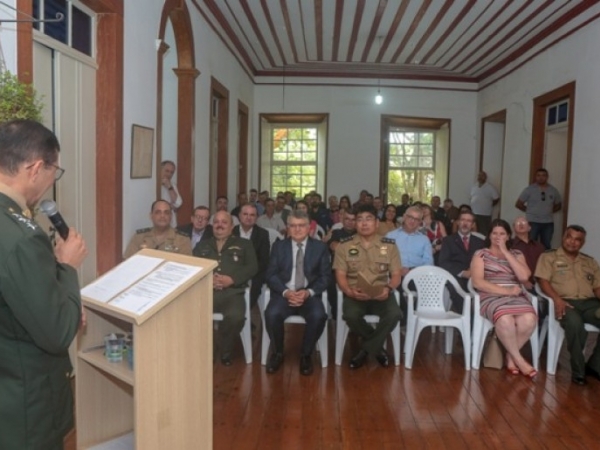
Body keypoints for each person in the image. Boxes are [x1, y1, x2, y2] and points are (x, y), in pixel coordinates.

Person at [0, 119, 88, 450]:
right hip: (22, 402)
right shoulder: (22, 236)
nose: (53, 180)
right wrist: (66, 266)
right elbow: (55, 332)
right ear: (36, 168)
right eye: (55, 171)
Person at [334, 204, 402, 369]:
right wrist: (348, 291)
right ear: (355, 224)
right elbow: (340, 275)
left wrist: (389, 289)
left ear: (377, 223)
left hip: (381, 293)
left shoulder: (390, 245)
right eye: (360, 220)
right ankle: (377, 348)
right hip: (355, 293)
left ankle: (365, 350)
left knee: (395, 314)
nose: (364, 223)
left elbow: (396, 275)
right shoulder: (344, 245)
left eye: (369, 219)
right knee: (350, 315)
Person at [264, 210, 331, 375]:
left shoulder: (320, 248)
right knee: (271, 314)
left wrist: (308, 292)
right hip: (284, 294)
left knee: (318, 315)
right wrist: (286, 292)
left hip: (308, 295)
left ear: (309, 227)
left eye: (301, 226)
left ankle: (306, 354)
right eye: (293, 226)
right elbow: (270, 275)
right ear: (287, 228)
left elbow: (326, 277)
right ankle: (278, 352)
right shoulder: (279, 246)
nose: (297, 229)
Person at [470, 219, 537, 377]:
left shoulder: (517, 254)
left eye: (502, 233)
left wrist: (506, 252)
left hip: (516, 294)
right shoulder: (481, 254)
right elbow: (478, 282)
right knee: (505, 319)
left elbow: (524, 277)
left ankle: (511, 355)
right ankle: (519, 360)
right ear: (489, 235)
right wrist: (505, 291)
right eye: (494, 233)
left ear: (508, 236)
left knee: (529, 319)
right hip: (491, 294)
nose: (498, 236)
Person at [536, 225, 600, 385]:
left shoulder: (590, 261)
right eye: (569, 237)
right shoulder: (548, 257)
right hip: (565, 302)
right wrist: (557, 299)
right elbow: (542, 281)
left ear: (582, 243)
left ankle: (595, 365)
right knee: (575, 324)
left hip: (589, 303)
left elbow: (597, 287)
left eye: (578, 240)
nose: (572, 242)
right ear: (563, 238)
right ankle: (579, 371)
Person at [193, 211, 258, 365]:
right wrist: (207, 280)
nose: (219, 225)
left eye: (224, 222)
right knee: (191, 314)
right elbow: (192, 267)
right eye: (216, 222)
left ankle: (225, 350)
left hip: (232, 293)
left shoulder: (244, 244)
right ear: (212, 225)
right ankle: (201, 350)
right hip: (206, 293)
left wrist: (232, 280)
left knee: (236, 317)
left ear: (231, 226)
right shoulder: (202, 245)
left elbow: (252, 267)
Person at [438, 210, 485, 311]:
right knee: (456, 288)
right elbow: (443, 262)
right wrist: (463, 273)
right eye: (462, 220)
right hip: (456, 276)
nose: (465, 223)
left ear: (472, 225)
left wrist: (473, 271)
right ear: (458, 222)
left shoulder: (480, 242)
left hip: (475, 276)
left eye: (469, 221)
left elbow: (485, 260)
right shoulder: (448, 241)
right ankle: (467, 317)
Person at [124, 200, 192, 258]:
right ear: (151, 216)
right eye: (158, 212)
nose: (162, 216)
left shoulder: (182, 239)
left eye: (166, 212)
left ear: (170, 216)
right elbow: (128, 262)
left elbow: (187, 266)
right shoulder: (139, 237)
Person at [233, 204, 270, 310]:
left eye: (252, 215)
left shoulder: (263, 234)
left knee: (255, 286)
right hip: (233, 270)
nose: (248, 217)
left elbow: (264, 260)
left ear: (256, 217)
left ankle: (244, 314)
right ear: (239, 216)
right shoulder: (231, 232)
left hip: (255, 272)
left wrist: (248, 272)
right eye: (245, 214)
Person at [515, 168, 562, 249]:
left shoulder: (553, 190)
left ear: (547, 177)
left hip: (548, 222)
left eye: (543, 175)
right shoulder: (529, 190)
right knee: (531, 244)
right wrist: (530, 211)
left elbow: (559, 204)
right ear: (535, 177)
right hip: (532, 222)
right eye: (538, 175)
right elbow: (518, 204)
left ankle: (545, 261)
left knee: (546, 244)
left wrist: (549, 211)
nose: (541, 177)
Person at [386, 205, 433, 276]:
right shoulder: (390, 236)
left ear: (420, 222)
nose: (412, 221)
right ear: (404, 217)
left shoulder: (424, 239)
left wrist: (412, 271)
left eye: (416, 219)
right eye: (410, 217)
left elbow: (429, 262)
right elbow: (383, 258)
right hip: (394, 275)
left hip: (418, 276)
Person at [510, 216, 544, 290]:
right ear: (514, 228)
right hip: (517, 284)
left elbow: (543, 267)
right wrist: (523, 281)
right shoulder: (509, 245)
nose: (521, 224)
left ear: (529, 227)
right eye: (518, 223)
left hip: (539, 284)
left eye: (524, 222)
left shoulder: (539, 246)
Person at [470, 171, 500, 236]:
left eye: (482, 176)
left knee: (484, 231)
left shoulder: (490, 187)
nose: (480, 177)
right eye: (479, 176)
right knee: (474, 230)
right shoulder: (474, 186)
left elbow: (496, 198)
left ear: (485, 178)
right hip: (474, 212)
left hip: (485, 214)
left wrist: (489, 205)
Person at [160, 160, 183, 226]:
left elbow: (178, 203)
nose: (169, 174)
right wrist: (169, 206)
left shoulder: (172, 185)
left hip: (170, 223)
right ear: (160, 170)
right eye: (167, 171)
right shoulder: (152, 184)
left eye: (171, 172)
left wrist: (169, 187)